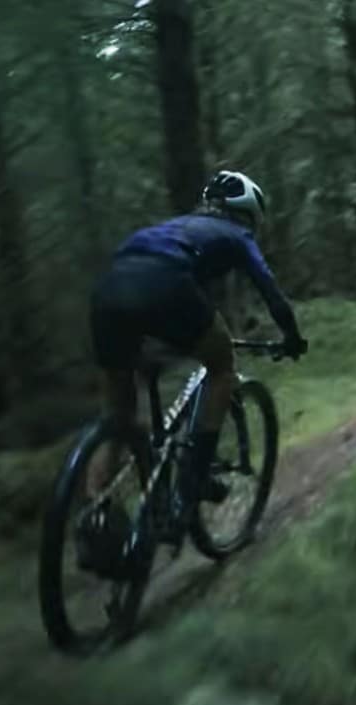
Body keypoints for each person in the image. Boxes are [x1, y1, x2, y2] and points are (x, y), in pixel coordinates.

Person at [86, 170, 308, 541]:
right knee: (221, 367)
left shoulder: (176, 226)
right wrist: (292, 337)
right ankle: (191, 484)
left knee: (119, 416)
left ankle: (94, 512)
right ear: (247, 214)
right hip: (164, 284)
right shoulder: (237, 235)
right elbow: (271, 292)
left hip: (108, 291)